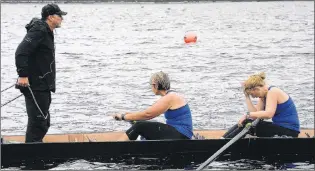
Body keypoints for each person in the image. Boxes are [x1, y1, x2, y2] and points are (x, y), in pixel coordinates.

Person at [15, 4, 67, 143]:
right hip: (35, 85)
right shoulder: (39, 30)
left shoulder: (47, 31)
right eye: (59, 16)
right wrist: (23, 75)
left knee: (44, 121)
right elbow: (21, 52)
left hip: (43, 85)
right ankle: (30, 154)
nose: (62, 19)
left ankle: (34, 146)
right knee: (38, 122)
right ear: (50, 17)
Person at [113, 71, 193, 141]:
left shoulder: (170, 97)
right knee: (142, 126)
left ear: (156, 85)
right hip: (180, 133)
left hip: (182, 134)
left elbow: (148, 114)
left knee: (139, 126)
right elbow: (149, 112)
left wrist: (123, 117)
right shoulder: (170, 96)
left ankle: (115, 149)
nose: (151, 87)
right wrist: (130, 116)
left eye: (151, 85)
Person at [223, 72, 300, 138]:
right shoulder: (263, 95)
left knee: (248, 124)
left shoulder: (273, 91)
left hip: (290, 131)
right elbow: (255, 115)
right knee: (247, 122)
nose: (254, 97)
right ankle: (222, 139)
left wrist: (247, 115)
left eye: (253, 94)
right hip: (281, 127)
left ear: (256, 89)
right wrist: (247, 97)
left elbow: (268, 114)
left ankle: (222, 143)